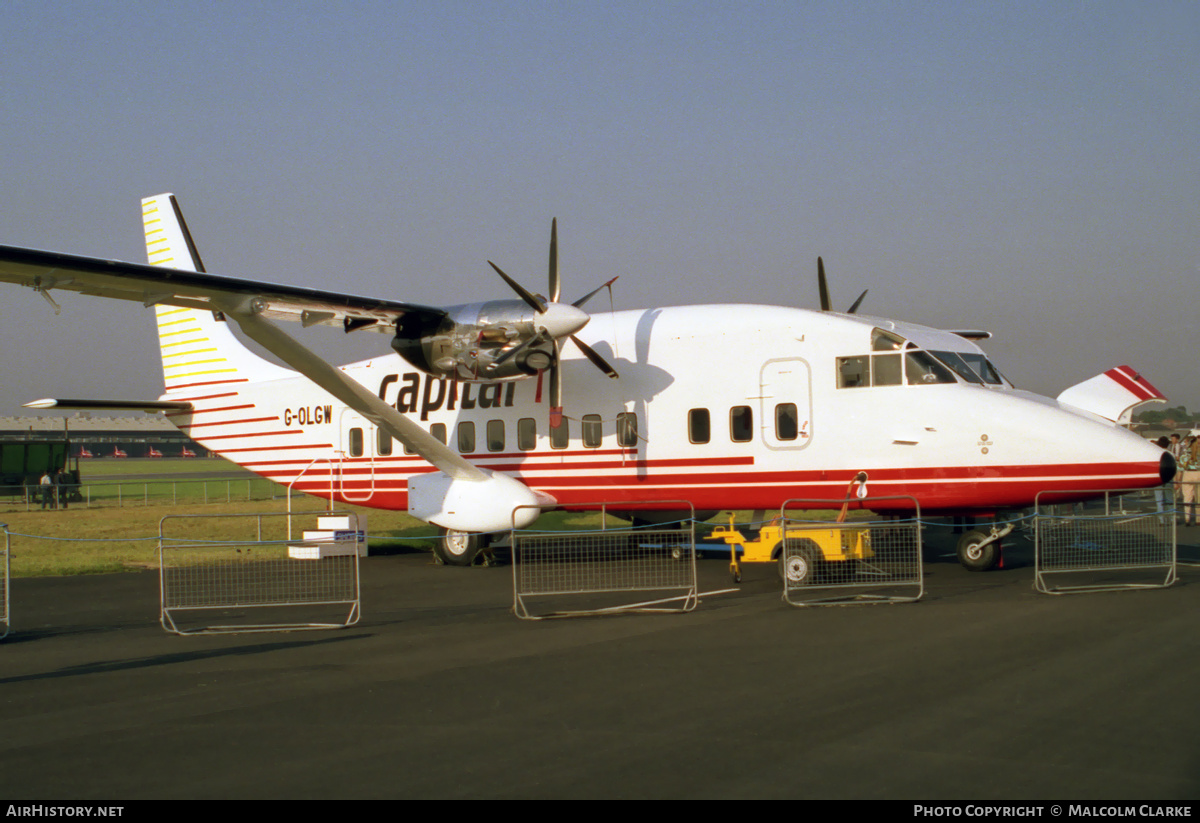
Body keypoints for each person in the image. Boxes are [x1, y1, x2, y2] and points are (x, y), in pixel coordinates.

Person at [1180, 436, 1200, 528]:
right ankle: (1198, 519)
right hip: (1198, 473)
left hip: (1188, 474)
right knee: (1198, 498)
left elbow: (1181, 466)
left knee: (1187, 497)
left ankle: (1187, 518)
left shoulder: (1185, 453)